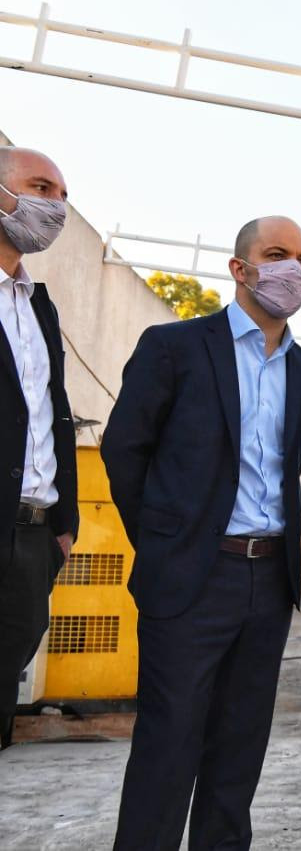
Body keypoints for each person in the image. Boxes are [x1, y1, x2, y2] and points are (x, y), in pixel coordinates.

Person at [102, 216, 301, 849]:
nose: (293, 270)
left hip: (267, 580)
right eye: (277, 254)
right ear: (240, 268)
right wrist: (167, 544)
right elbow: (125, 451)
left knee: (238, 753)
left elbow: (286, 467)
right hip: (192, 580)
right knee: (168, 746)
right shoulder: (174, 347)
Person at [0, 146, 76, 750]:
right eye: (41, 188)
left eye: (62, 196)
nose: (55, 207)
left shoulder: (37, 306)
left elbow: (51, 415)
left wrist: (63, 525)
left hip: (32, 539)